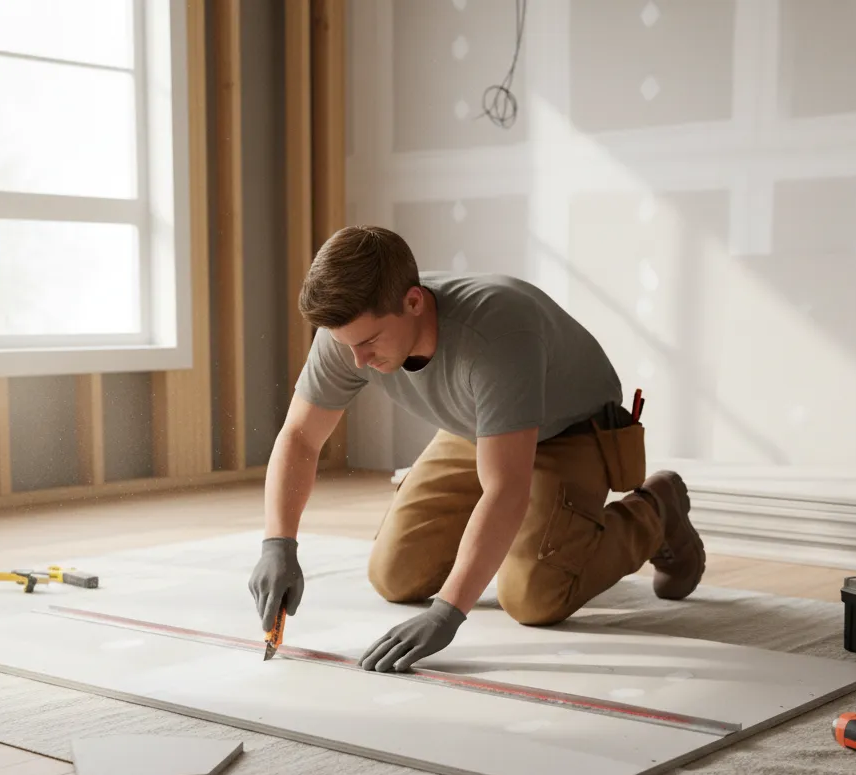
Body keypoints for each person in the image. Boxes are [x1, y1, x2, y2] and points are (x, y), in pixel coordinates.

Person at [249, 225, 704, 673]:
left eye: (368, 343)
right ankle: (517, 538)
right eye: (345, 344)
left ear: (413, 302)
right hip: (477, 426)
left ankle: (657, 510)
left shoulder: (497, 334)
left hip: (569, 430)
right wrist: (278, 544)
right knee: (395, 575)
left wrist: (447, 612)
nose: (357, 362)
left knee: (533, 596)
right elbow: (300, 437)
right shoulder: (349, 333)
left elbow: (506, 489)